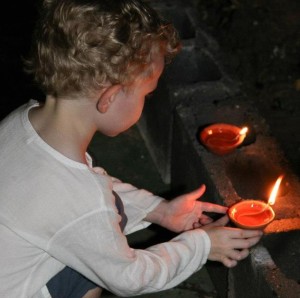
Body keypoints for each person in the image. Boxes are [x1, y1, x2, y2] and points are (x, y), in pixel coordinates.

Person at [0, 0, 263, 297]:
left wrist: (159, 211)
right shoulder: (80, 198)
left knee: (102, 236)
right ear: (109, 98)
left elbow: (84, 198)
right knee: (97, 266)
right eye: (146, 94)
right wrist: (202, 245)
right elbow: (128, 277)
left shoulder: (23, 120)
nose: (146, 102)